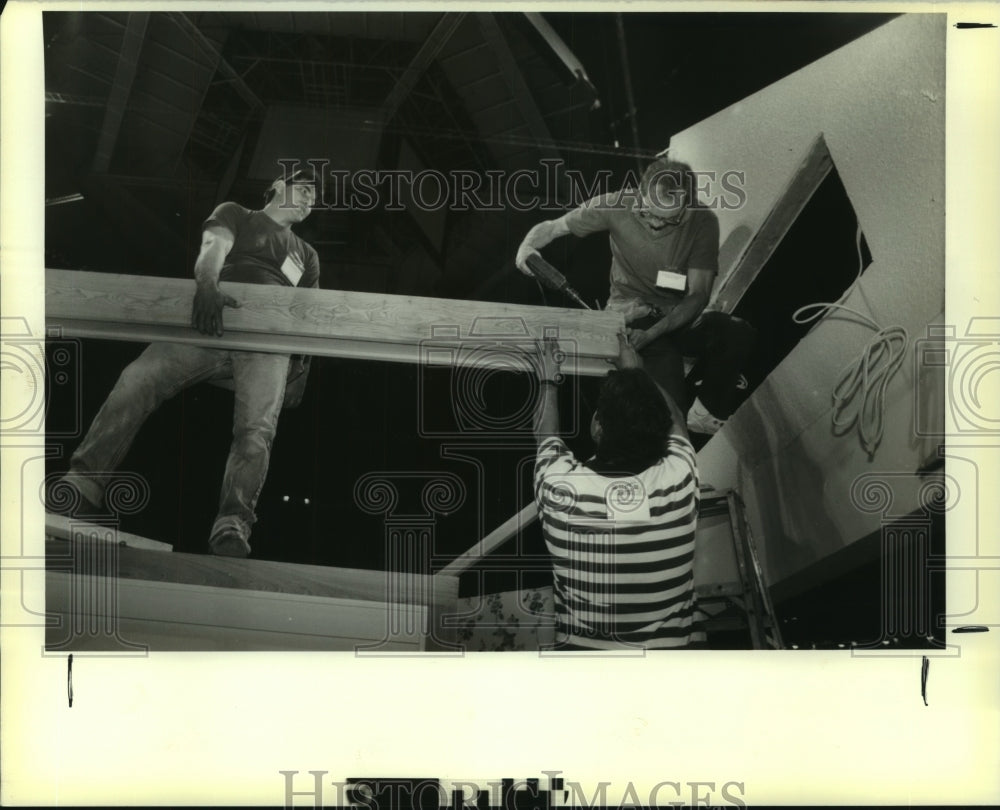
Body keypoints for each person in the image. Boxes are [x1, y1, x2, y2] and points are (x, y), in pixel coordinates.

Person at [52, 167, 321, 558]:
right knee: (137, 378)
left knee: (257, 429)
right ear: (278, 187)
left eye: (316, 196)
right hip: (212, 321)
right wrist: (208, 287)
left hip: (267, 343)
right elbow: (213, 247)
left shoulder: (307, 255)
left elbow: (310, 314)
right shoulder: (238, 214)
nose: (311, 199)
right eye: (305, 188)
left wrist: (301, 374)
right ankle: (82, 484)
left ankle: (233, 524)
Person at [516, 156, 754, 434]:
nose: (654, 225)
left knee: (737, 332)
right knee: (666, 418)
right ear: (638, 194)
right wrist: (526, 247)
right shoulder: (615, 204)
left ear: (685, 209)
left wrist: (655, 331)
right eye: (647, 213)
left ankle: (705, 411)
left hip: (673, 318)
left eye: (667, 221)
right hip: (632, 317)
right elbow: (553, 227)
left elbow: (698, 295)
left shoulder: (702, 222)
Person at [532, 334, 706, 650]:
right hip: (669, 671)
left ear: (598, 427)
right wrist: (638, 375)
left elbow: (545, 434)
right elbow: (677, 421)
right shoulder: (679, 482)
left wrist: (548, 380)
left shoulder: (562, 492)